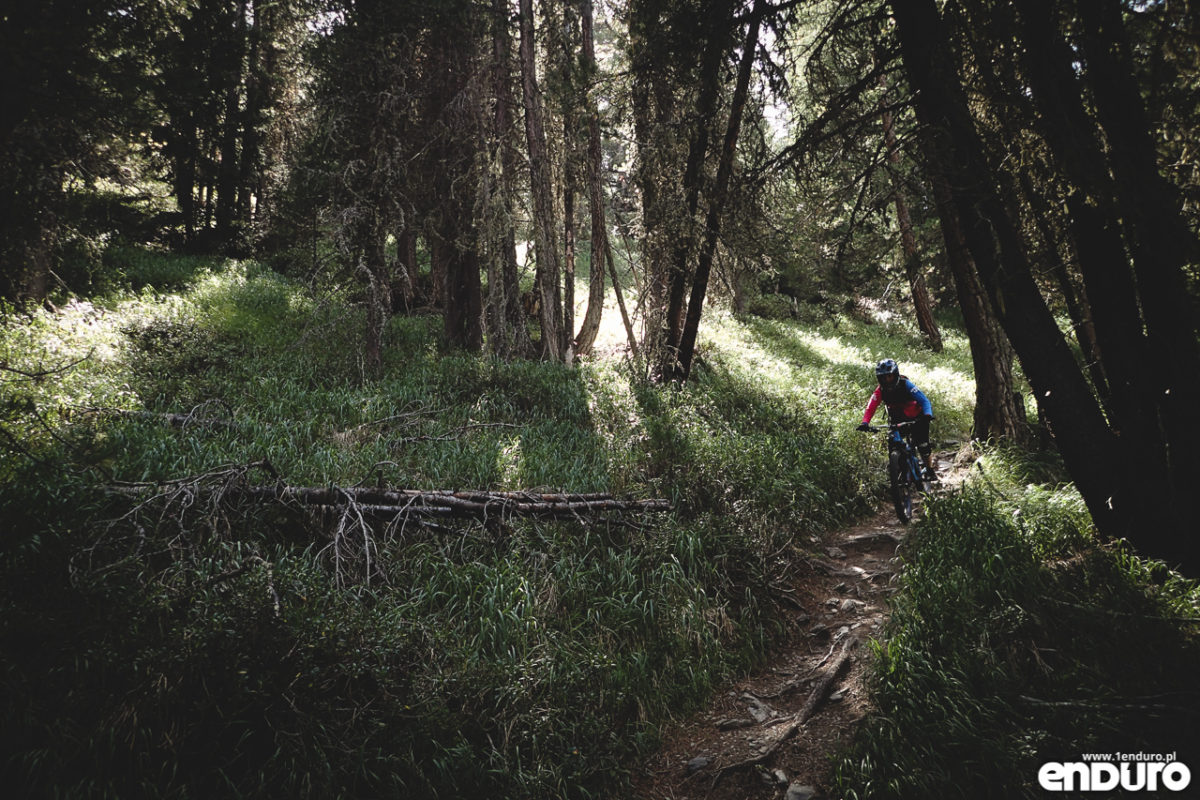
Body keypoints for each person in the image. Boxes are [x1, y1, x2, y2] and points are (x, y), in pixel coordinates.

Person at [856, 358, 938, 479]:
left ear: (895, 374)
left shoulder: (906, 384)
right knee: (894, 445)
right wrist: (865, 422)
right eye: (883, 377)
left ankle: (930, 469)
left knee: (923, 446)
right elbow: (871, 406)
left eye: (889, 376)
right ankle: (899, 469)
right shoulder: (880, 390)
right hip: (897, 418)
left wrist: (927, 415)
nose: (887, 380)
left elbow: (924, 400)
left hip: (917, 417)